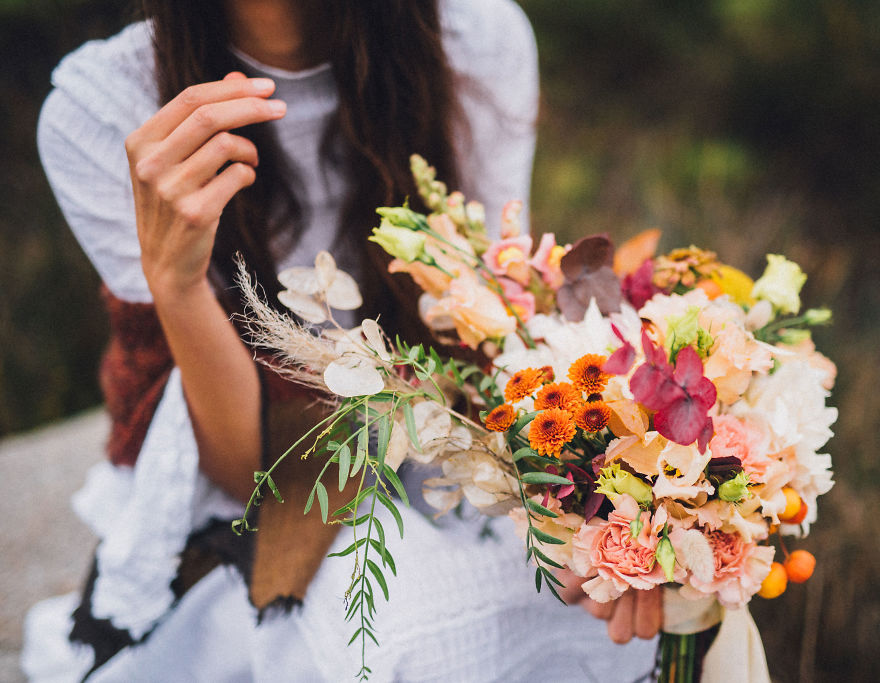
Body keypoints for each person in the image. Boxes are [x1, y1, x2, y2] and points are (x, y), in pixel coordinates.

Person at [23, 1, 660, 680]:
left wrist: (609, 507)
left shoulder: (476, 37)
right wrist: (176, 283)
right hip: (256, 498)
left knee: (600, 598)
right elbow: (253, 478)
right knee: (397, 640)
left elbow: (495, 329)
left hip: (450, 439)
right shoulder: (104, 108)